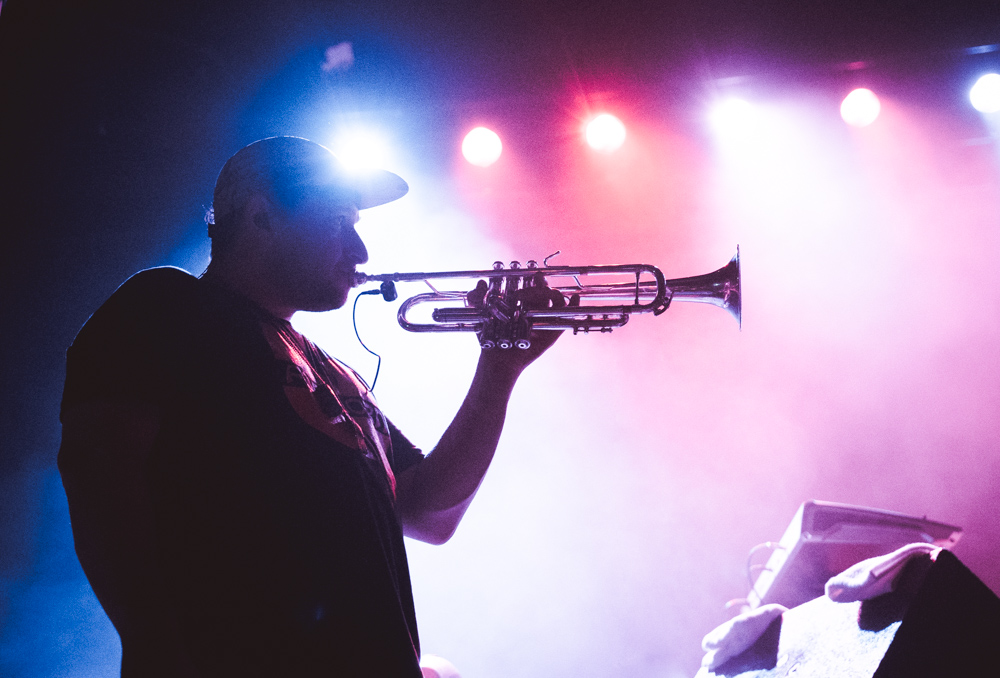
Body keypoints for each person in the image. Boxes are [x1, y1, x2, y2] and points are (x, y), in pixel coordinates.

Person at [58, 136, 568, 677]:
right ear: (260, 218)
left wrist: (499, 367)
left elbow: (428, 513)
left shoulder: (334, 374)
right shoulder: (168, 306)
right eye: (337, 223)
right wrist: (155, 640)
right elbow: (100, 474)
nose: (360, 252)